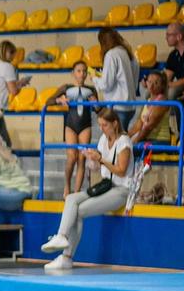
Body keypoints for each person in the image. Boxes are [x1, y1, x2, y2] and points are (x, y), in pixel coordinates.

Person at [41, 108, 134, 271]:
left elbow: (121, 170)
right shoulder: (103, 141)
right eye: (100, 125)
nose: (102, 129)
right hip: (106, 186)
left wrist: (101, 160)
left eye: (105, 125)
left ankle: (66, 257)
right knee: (71, 199)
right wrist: (91, 159)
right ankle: (62, 236)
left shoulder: (124, 142)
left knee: (78, 211)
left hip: (121, 191)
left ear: (115, 123)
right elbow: (98, 167)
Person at [45, 60, 97, 197]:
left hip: (85, 126)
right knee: (71, 157)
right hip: (71, 126)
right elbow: (48, 101)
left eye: (84, 71)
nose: (82, 74)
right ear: (73, 73)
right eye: (79, 71)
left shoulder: (91, 90)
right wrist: (59, 100)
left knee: (81, 158)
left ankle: (76, 192)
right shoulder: (66, 88)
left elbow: (99, 109)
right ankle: (67, 186)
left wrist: (96, 104)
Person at [92, 28, 139, 132]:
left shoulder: (111, 54)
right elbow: (134, 82)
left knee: (116, 141)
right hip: (130, 105)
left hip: (118, 106)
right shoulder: (129, 54)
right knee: (121, 137)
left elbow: (106, 84)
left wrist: (95, 79)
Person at [164, 22, 184, 133]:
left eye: (168, 35)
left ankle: (176, 130)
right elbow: (165, 78)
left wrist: (172, 84)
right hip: (182, 87)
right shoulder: (173, 55)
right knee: (151, 92)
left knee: (171, 93)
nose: (166, 38)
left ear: (179, 36)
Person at [129, 71, 172, 146]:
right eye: (149, 82)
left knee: (130, 150)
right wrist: (125, 137)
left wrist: (134, 142)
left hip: (159, 141)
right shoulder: (147, 101)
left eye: (156, 83)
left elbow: (149, 127)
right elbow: (139, 124)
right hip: (146, 140)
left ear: (162, 86)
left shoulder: (162, 101)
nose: (151, 85)